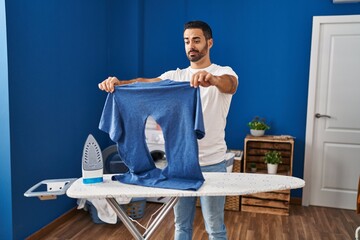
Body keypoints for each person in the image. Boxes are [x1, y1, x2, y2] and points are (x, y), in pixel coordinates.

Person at [98, 20, 238, 240]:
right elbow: (144, 82)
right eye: (186, 41)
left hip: (213, 163)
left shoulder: (223, 72)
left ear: (209, 43)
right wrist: (118, 83)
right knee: (181, 225)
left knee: (215, 227)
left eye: (196, 40)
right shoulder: (176, 77)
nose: (191, 45)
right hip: (179, 165)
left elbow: (230, 84)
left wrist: (211, 79)